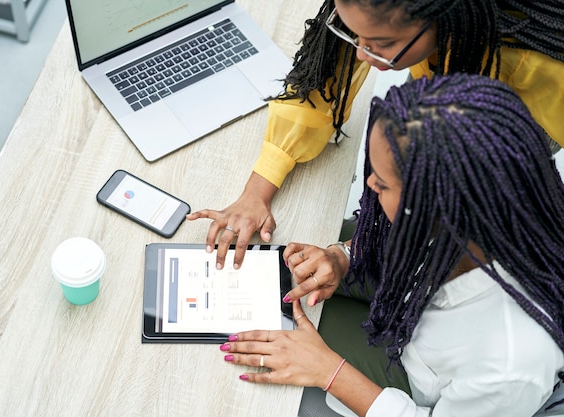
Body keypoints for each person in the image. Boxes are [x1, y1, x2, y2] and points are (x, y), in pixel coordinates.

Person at [217, 73, 564, 416]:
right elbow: (399, 252)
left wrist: (328, 371)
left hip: (408, 389)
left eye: (381, 183)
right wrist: (345, 256)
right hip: (402, 316)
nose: (368, 184)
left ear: (433, 206)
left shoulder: (513, 362)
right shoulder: (478, 212)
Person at [186, 0, 564, 270]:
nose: (363, 55)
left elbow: (478, 205)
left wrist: (353, 253)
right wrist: (257, 192)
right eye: (354, 34)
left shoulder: (535, 68)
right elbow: (323, 81)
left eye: (381, 44)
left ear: (445, 18)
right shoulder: (378, 10)